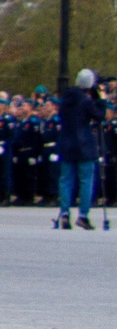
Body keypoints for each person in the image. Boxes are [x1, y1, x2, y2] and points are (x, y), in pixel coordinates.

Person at [56, 69, 105, 228]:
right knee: (86, 180)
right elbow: (99, 115)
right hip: (84, 144)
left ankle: (64, 213)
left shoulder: (65, 100)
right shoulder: (85, 101)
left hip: (66, 143)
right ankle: (83, 214)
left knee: (66, 180)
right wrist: (101, 100)